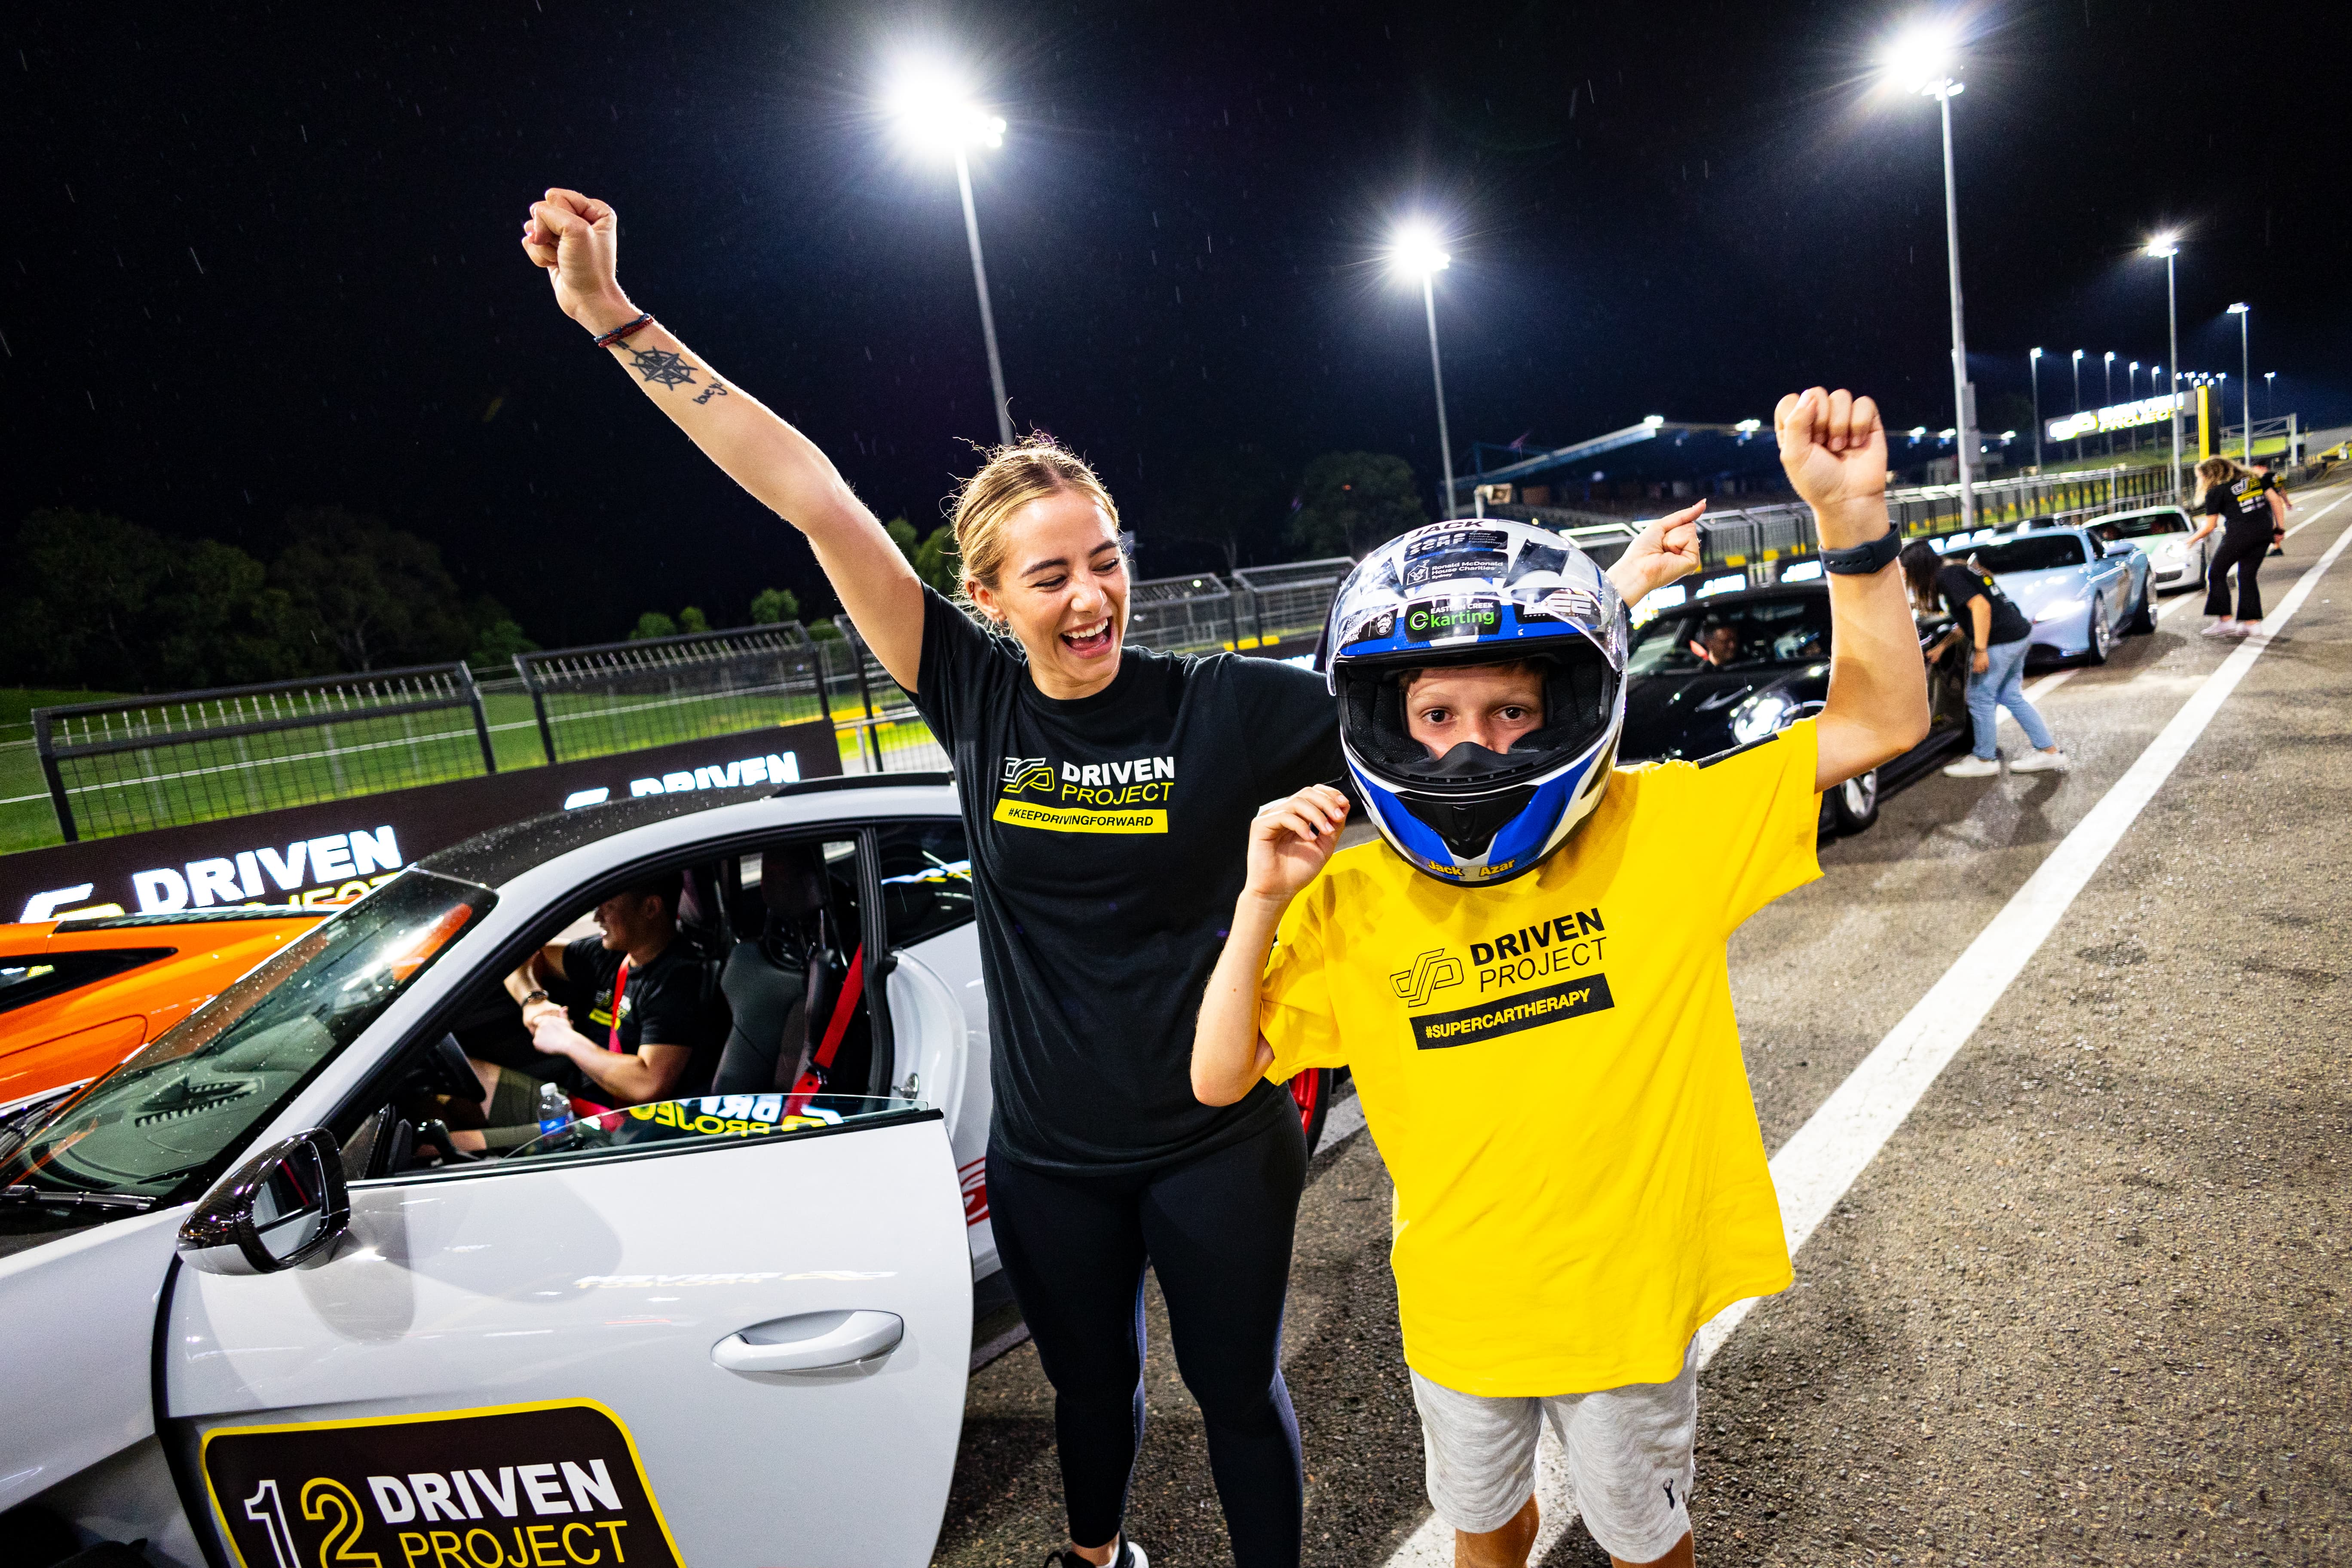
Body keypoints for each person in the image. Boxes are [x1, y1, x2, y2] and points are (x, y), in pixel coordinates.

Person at [518, 185, 1704, 1568]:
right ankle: (1098, 1558)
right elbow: (810, 495)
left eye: (1104, 561)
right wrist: (612, 319)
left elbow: (1442, 697)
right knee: (1091, 1389)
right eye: (1047, 578)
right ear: (987, 600)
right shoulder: (963, 692)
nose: (1089, 597)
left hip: (1216, 1140)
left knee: (1236, 1395)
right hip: (1050, 1156)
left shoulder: (1226, 708)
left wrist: (1613, 584)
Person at [1191, 388, 1930, 1568]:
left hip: (1624, 1319)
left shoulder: (1658, 830)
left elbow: (1882, 717)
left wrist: (1854, 520)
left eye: (1510, 708)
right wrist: (1260, 902)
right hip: (1459, 1318)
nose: (1472, 743)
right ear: (1385, 718)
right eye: (1435, 712)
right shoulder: (1354, 900)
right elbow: (1221, 1074)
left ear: (1566, 710)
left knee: (1644, 1539)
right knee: (1483, 1527)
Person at [461, 872, 720, 1148]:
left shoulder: (678, 978)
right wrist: (533, 1000)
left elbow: (648, 1084)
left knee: (447, 1148)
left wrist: (567, 1041)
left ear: (651, 909)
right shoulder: (611, 954)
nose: (597, 917)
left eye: (608, 906)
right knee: (458, 1082)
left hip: (623, 1128)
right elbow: (524, 956)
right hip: (574, 1102)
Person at [1901, 541, 2068, 778]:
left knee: (1980, 698)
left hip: (2002, 640)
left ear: (1919, 566)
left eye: (1906, 570)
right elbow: (1969, 619)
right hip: (2016, 633)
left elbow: (1981, 609)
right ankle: (2049, 752)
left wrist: (1981, 651)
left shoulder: (1948, 576)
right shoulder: (1954, 570)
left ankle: (1984, 759)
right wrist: (1943, 646)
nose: (1906, 576)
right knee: (2011, 696)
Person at [2188, 454, 2275, 637]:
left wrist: (2189, 541)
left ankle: (2225, 621)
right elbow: (2275, 501)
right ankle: (2252, 624)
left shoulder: (2216, 492)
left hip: (2240, 535)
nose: (2200, 480)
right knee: (2247, 575)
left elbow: (2210, 527)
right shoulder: (2254, 480)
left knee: (2216, 573)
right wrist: (2279, 530)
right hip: (2263, 533)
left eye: (2200, 476)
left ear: (2210, 475)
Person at [2248, 453, 2293, 557]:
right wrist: (2287, 502)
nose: (2253, 471)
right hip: (2278, 504)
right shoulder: (2276, 476)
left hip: (2268, 504)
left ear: (2259, 467)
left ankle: (2270, 548)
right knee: (2275, 526)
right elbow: (2282, 490)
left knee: (2268, 526)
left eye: (2254, 468)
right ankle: (2277, 547)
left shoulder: (2263, 479)